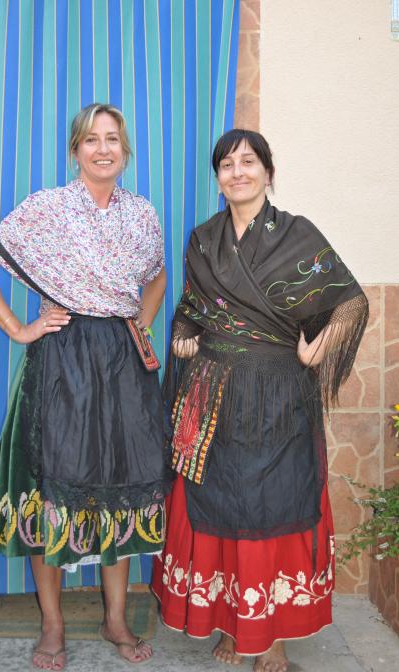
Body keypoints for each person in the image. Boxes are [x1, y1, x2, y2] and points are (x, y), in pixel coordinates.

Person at [0, 103, 169, 670]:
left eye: (113, 139)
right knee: (51, 488)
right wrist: (19, 328)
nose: (104, 149)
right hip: (62, 360)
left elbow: (156, 276)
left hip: (123, 363)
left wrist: (141, 323)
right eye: (92, 139)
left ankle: (115, 619)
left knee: (121, 487)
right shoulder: (47, 208)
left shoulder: (142, 214)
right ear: (76, 149)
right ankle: (52, 624)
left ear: (125, 150)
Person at [151, 129, 368, 672]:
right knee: (218, 508)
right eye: (226, 165)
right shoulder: (203, 240)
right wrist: (183, 335)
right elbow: (190, 308)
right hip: (214, 396)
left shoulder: (298, 235)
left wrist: (318, 348)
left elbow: (349, 301)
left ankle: (273, 638)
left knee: (275, 507)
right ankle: (233, 624)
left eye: (248, 162)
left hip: (277, 396)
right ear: (217, 178)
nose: (237, 172)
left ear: (269, 173)